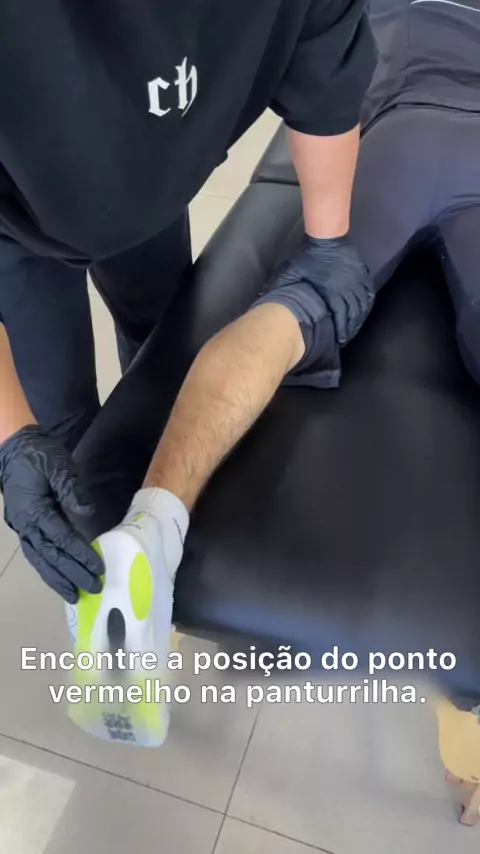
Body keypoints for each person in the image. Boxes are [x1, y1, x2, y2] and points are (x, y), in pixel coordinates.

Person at [0, 1, 376, 602]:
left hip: (148, 182)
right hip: (13, 228)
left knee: (159, 344)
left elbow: (326, 56)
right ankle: (108, 580)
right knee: (62, 430)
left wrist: (327, 241)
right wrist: (11, 435)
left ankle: (153, 509)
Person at [108, 0, 480, 608]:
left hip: (402, 139)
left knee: (292, 310)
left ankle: (150, 530)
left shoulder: (366, 13)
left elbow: (316, 84)